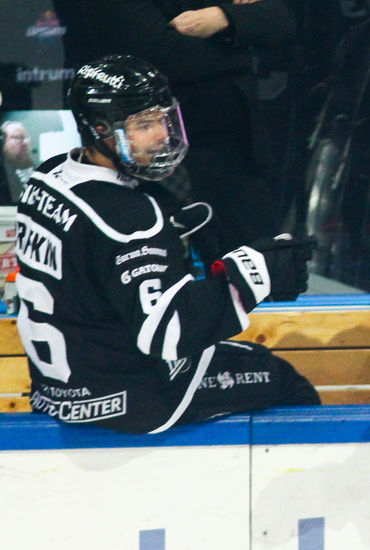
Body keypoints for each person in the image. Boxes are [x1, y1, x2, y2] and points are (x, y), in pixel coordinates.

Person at [14, 55, 318, 434]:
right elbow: (169, 332)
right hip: (133, 401)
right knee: (280, 377)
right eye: (143, 124)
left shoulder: (47, 177)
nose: (161, 134)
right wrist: (252, 274)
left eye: (163, 117)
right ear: (98, 128)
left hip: (57, 391)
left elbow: (88, 269)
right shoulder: (131, 219)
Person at [83, 1, 297, 254]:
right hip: (146, 146)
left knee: (263, 263)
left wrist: (221, 18)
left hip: (233, 146)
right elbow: (157, 51)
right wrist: (242, 49)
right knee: (155, 255)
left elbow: (280, 19)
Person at [1, 120, 36, 203]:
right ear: (3, 143)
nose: (25, 143)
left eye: (26, 138)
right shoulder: (3, 175)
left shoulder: (40, 169)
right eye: (17, 138)